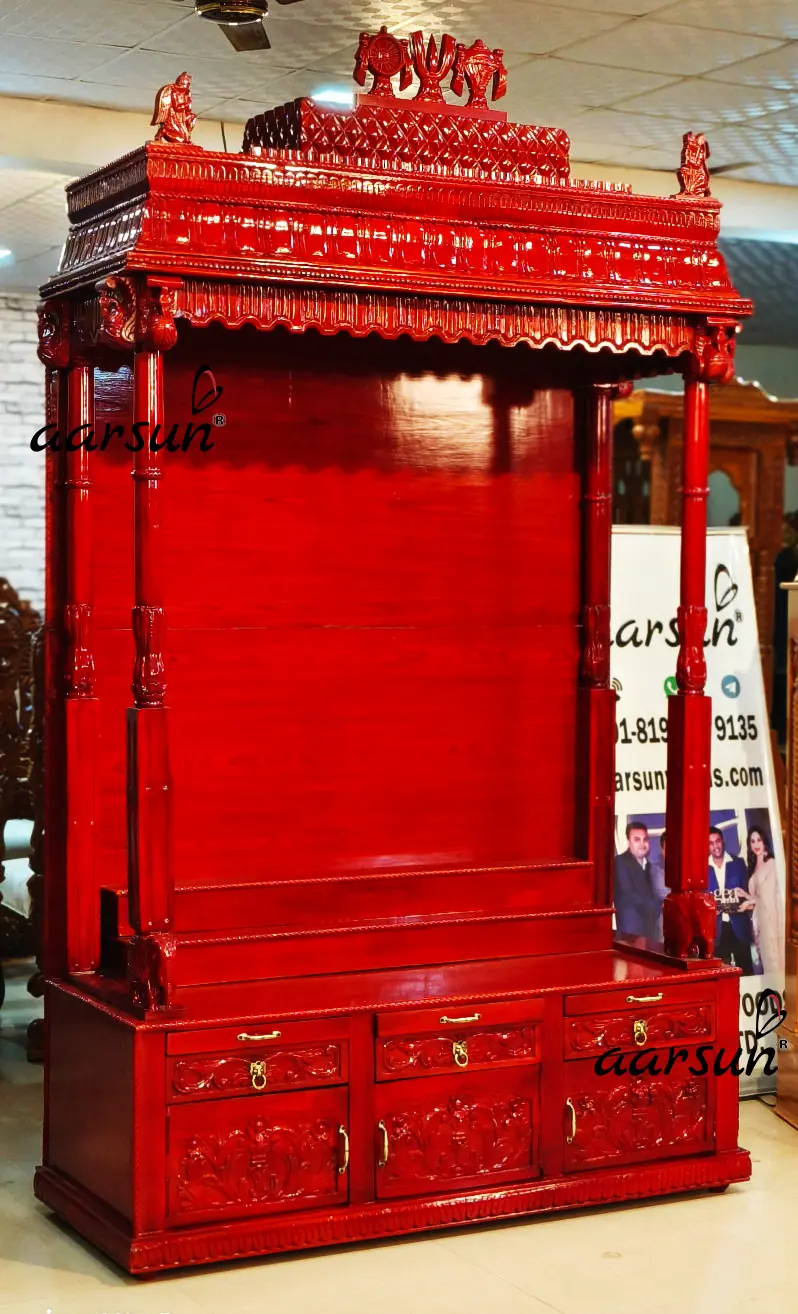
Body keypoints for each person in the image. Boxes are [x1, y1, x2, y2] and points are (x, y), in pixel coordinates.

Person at [707, 827, 754, 973]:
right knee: (721, 976)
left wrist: (745, 904)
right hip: (717, 930)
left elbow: (748, 893)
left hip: (739, 926)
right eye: (711, 843)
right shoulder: (702, 869)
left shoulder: (738, 864)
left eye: (718, 841)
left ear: (723, 841)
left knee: (746, 971)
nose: (715, 846)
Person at [614, 821, 667, 941]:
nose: (642, 844)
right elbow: (630, 895)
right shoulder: (620, 862)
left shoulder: (650, 867)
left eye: (645, 839)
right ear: (628, 842)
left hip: (651, 932)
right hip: (631, 933)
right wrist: (660, 907)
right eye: (637, 839)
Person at [747, 826, 784, 978]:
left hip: (771, 921)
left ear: (765, 842)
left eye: (759, 840)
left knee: (774, 961)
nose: (756, 844)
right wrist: (745, 897)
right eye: (752, 841)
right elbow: (756, 897)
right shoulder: (753, 866)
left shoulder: (771, 864)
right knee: (766, 963)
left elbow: (768, 898)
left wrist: (752, 900)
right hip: (759, 922)